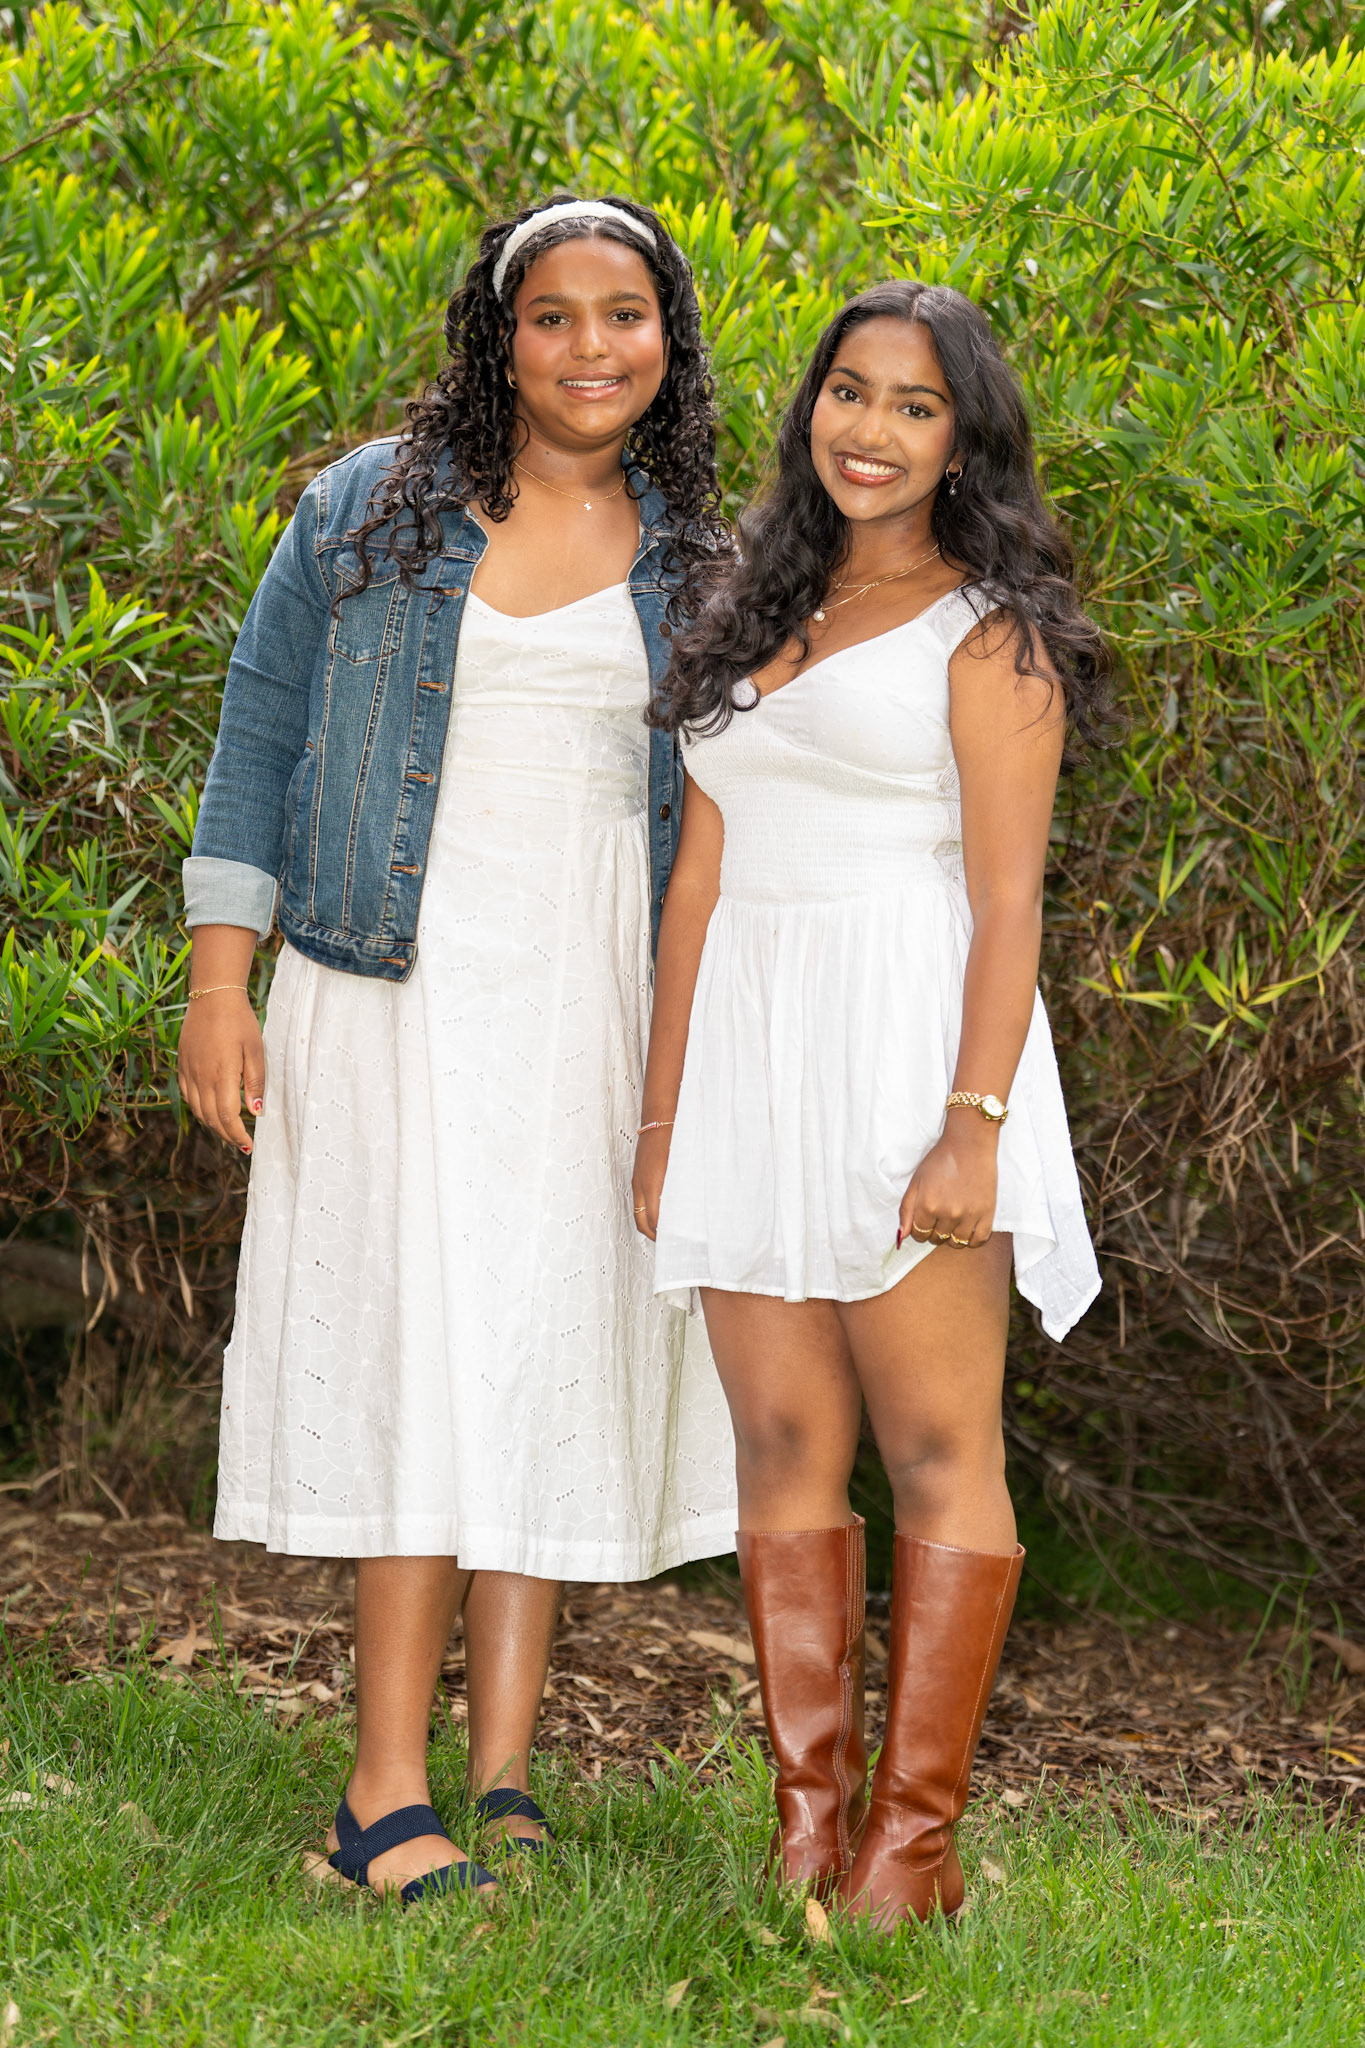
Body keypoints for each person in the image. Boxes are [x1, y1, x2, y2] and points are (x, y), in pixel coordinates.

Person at [177, 195, 737, 1903]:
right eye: (551, 314)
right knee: (418, 1352)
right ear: (500, 337)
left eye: (622, 314)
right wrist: (220, 980)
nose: (589, 347)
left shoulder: (703, 552)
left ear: (667, 339)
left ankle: (502, 1777)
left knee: (539, 1346)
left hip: (594, 995)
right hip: (386, 981)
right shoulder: (368, 507)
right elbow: (260, 727)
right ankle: (379, 1795)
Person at [634, 281, 1107, 1929]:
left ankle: (913, 1845)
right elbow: (697, 881)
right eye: (850, 392)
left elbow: (1008, 899)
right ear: (809, 406)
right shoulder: (747, 605)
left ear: (963, 441)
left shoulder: (990, 634)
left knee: (932, 1446)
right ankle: (805, 1826)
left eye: (915, 406)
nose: (872, 431)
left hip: (908, 1046)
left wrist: (971, 1123)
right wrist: (661, 1119)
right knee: (780, 1441)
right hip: (748, 1055)